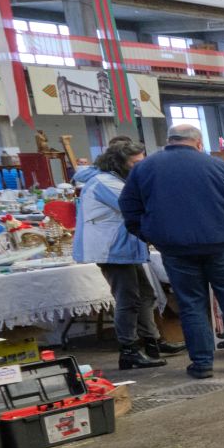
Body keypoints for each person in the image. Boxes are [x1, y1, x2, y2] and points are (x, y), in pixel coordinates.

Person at [119, 122, 224, 379]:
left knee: (191, 304)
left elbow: (129, 209)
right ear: (198, 143)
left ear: (169, 141)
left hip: (176, 249)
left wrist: (152, 236)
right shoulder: (219, 166)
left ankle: (202, 364)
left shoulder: (143, 169)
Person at [74, 138, 182, 370]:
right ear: (119, 163)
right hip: (112, 249)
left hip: (125, 248)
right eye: (136, 163)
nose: (140, 167)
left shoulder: (117, 180)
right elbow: (136, 206)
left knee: (146, 294)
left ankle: (152, 342)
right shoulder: (105, 183)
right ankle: (129, 350)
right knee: (128, 299)